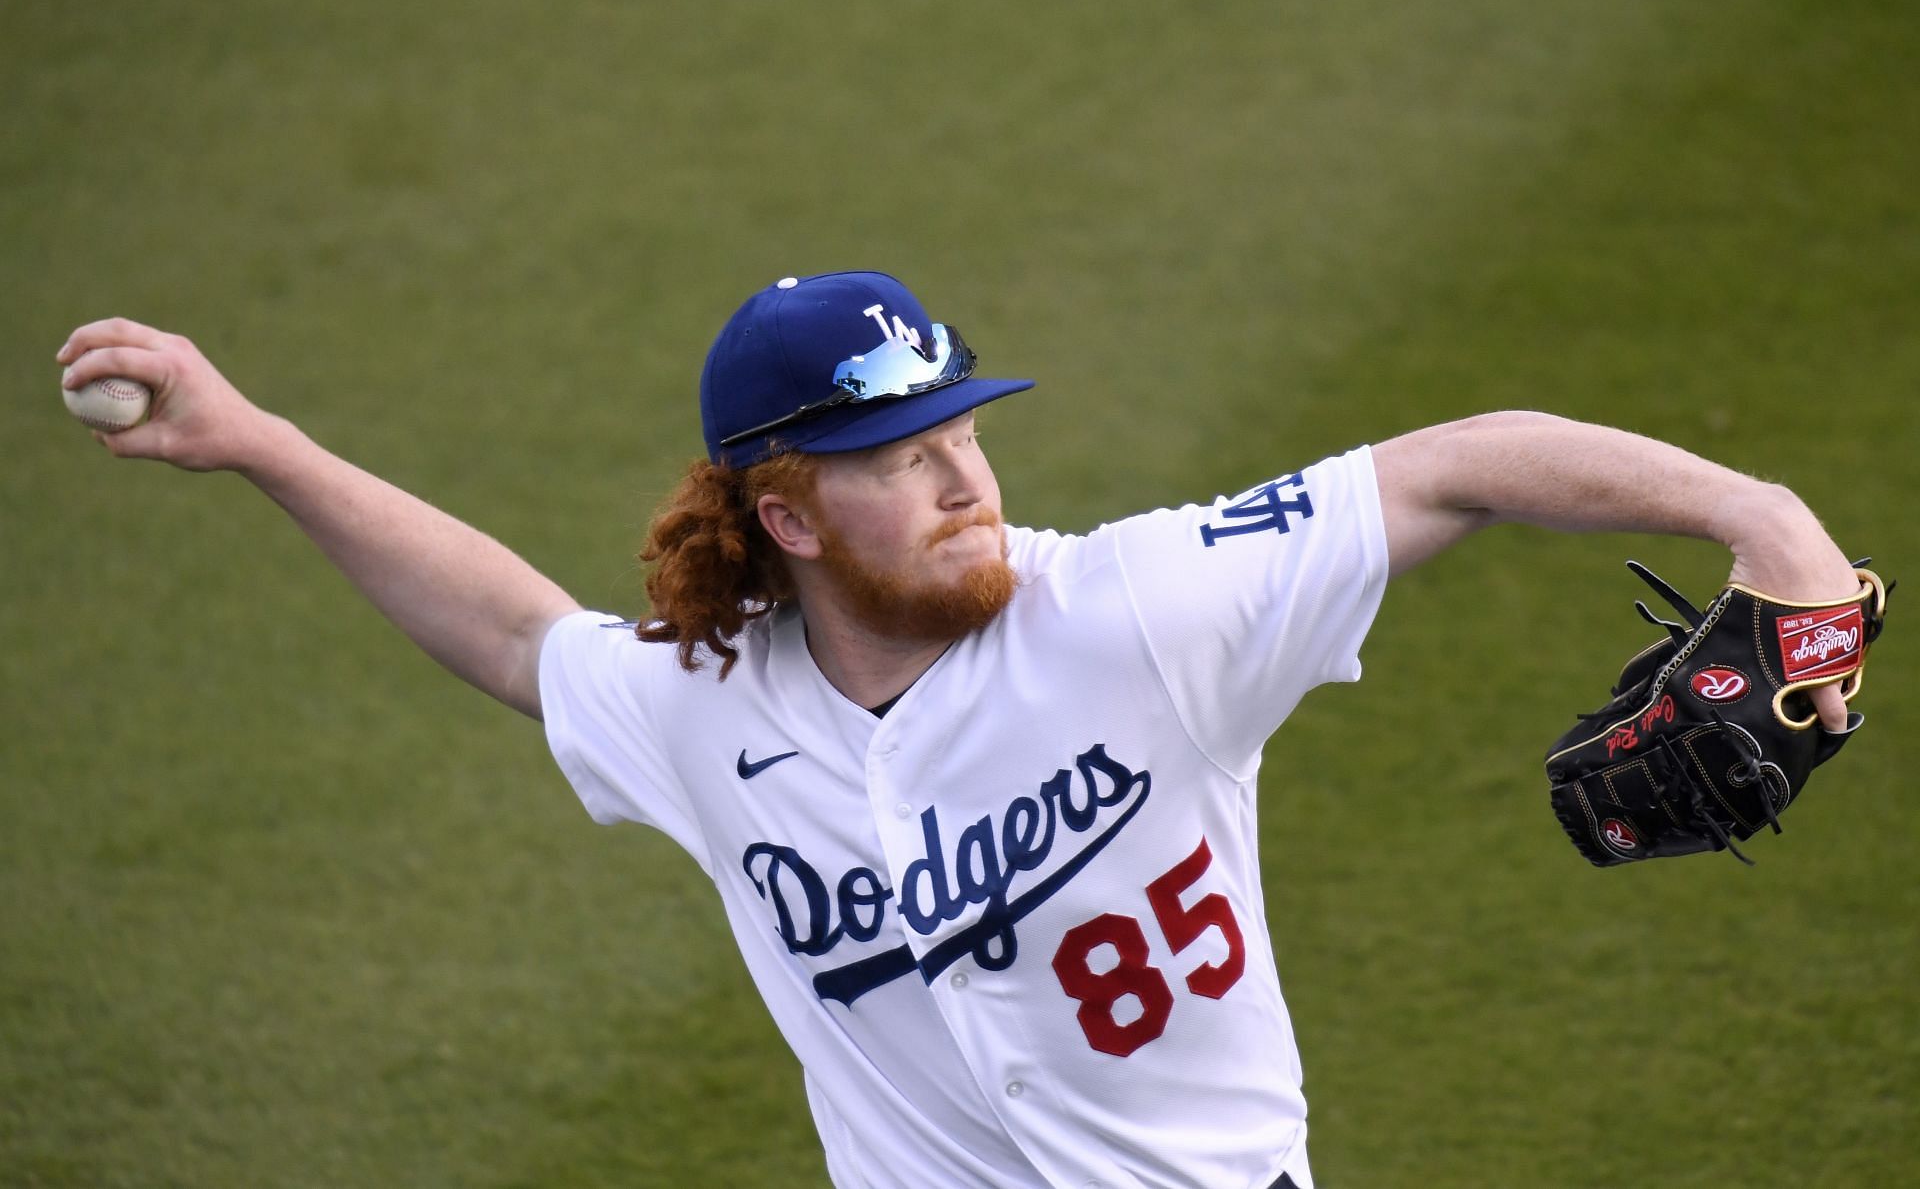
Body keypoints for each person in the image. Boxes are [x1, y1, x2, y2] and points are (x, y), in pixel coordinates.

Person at [56, 271, 1860, 1189]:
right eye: (897, 459)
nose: (960, 478)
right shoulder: (706, 715)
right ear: (785, 513)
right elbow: (524, 639)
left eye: (961, 432)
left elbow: (1456, 464)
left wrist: (1766, 520)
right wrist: (262, 445)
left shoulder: (1139, 611)